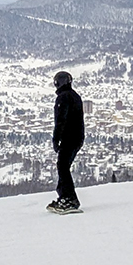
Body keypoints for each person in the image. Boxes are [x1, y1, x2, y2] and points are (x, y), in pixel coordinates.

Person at [49, 71, 85, 214]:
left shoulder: (63, 98)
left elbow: (60, 121)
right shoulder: (75, 96)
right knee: (63, 166)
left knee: (62, 167)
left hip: (68, 138)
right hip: (77, 137)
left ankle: (70, 198)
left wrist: (56, 139)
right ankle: (63, 196)